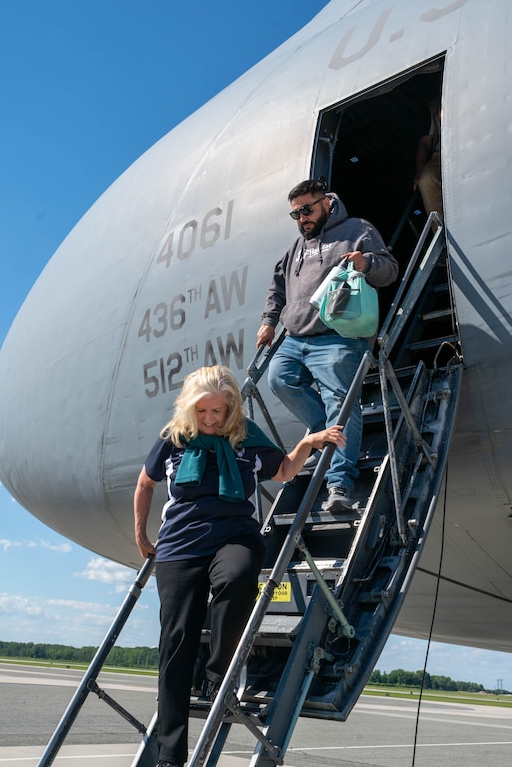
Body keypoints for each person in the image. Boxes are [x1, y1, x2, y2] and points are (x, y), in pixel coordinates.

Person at [134, 364, 346, 767]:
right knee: (175, 645)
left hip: (234, 535)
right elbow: (145, 484)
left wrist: (310, 443)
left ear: (231, 408)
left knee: (237, 576)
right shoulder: (173, 439)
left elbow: (284, 471)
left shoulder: (246, 438)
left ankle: (217, 674)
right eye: (203, 412)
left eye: (218, 411)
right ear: (189, 408)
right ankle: (170, 755)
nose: (211, 419)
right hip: (179, 546)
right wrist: (142, 536)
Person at [256, 178, 398, 515]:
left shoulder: (357, 230)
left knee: (341, 404)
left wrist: (367, 264)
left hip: (339, 337)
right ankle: (326, 436)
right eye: (296, 214)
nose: (302, 218)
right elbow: (277, 286)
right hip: (295, 339)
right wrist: (269, 321)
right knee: (279, 379)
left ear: (327, 203)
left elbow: (390, 270)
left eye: (307, 209)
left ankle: (339, 485)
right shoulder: (296, 248)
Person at [413, 97, 443, 218]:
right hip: (441, 154)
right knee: (426, 180)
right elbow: (425, 144)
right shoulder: (433, 112)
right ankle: (441, 229)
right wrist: (419, 173)